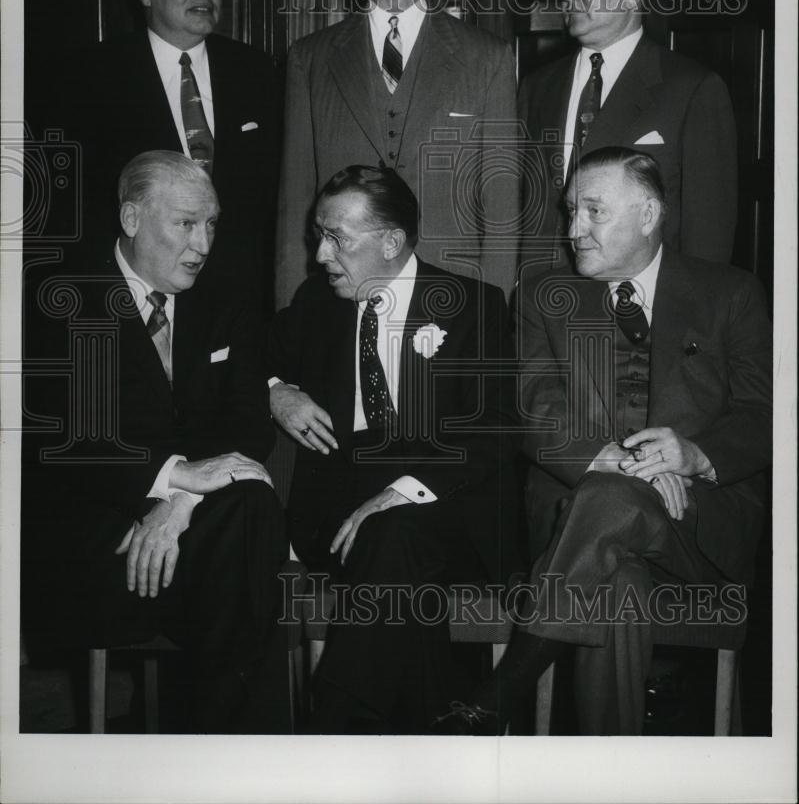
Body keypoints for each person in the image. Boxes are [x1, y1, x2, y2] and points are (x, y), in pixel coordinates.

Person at [436, 147, 771, 734]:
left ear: (648, 214)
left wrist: (693, 455)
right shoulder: (543, 295)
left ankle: (500, 692)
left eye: (593, 211)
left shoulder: (730, 293)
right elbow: (532, 407)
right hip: (580, 527)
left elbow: (767, 413)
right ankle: (605, 775)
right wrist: (614, 464)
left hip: (696, 530)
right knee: (616, 570)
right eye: (570, 212)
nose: (573, 232)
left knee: (613, 523)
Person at [21, 151, 289, 733]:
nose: (204, 243)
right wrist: (171, 476)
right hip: (102, 544)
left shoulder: (225, 298)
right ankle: (228, 744)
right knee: (247, 554)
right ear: (132, 218)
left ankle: (212, 740)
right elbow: (65, 436)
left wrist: (181, 501)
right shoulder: (58, 294)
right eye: (187, 223)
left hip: (197, 537)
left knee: (252, 505)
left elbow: (246, 424)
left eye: (212, 223)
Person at [267, 166, 520, 733]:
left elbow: (497, 429)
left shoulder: (473, 305)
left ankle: (338, 726)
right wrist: (278, 391)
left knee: (395, 535)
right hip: (337, 516)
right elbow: (248, 355)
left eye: (337, 238)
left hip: (447, 509)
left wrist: (400, 492)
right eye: (318, 235)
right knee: (394, 551)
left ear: (391, 242)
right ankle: (450, 734)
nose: (321, 256)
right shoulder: (317, 301)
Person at [275, 0, 520, 307]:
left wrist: (489, 312)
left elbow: (500, 207)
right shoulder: (310, 58)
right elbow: (295, 201)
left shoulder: (487, 59)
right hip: (338, 298)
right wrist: (291, 315)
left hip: (451, 295)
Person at [59, 0, 278, 312]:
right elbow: (75, 199)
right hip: (137, 295)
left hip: (238, 297)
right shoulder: (92, 76)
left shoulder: (255, 70)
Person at [518, 0, 738, 275]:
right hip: (544, 299)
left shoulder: (692, 88)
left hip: (640, 306)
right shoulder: (537, 86)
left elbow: (709, 229)